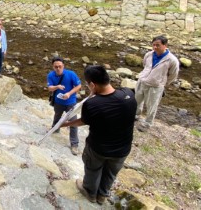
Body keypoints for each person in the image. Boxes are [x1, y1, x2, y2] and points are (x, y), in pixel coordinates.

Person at [60, 65, 136, 205]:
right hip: (123, 148)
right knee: (111, 172)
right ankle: (102, 195)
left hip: (98, 148)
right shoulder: (128, 95)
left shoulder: (92, 104)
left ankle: (90, 192)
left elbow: (83, 121)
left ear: (92, 85)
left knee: (93, 169)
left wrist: (65, 124)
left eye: (88, 84)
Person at [135, 35, 180, 132]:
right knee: (137, 100)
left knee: (152, 106)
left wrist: (162, 83)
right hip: (142, 81)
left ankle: (147, 123)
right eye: (153, 45)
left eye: (158, 45)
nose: (155, 47)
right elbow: (145, 65)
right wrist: (144, 75)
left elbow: (173, 75)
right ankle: (136, 115)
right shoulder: (149, 54)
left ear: (165, 45)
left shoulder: (172, 60)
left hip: (155, 86)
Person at [47, 57, 81, 155]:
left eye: (60, 66)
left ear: (63, 66)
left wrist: (69, 93)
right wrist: (57, 87)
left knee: (73, 122)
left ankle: (74, 144)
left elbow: (78, 86)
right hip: (58, 102)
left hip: (71, 102)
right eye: (56, 67)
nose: (58, 68)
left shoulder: (71, 74)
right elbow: (50, 88)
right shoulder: (51, 75)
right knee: (57, 116)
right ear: (53, 67)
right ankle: (55, 129)